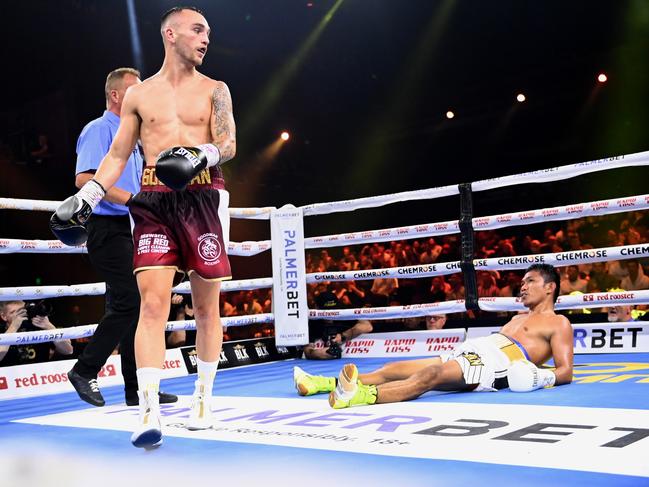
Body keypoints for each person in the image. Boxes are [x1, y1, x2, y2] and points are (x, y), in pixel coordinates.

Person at [50, 6, 235, 448]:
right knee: (151, 306)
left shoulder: (216, 89)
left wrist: (201, 155)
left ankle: (204, 399)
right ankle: (148, 410)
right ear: (170, 34)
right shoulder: (139, 95)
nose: (205, 38)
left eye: (207, 31)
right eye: (197, 29)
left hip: (203, 195)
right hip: (152, 200)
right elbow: (116, 156)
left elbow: (228, 143)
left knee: (207, 307)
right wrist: (88, 197)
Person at [293, 264, 573, 408]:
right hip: (477, 350)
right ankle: (319, 383)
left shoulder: (558, 322)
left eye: (530, 281)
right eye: (522, 282)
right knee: (394, 369)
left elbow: (566, 371)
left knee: (430, 376)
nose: (521, 287)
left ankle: (358, 396)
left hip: (496, 363)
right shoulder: (515, 318)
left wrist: (540, 376)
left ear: (550, 288)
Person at [66, 67, 177, 409]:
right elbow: (84, 179)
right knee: (131, 301)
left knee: (136, 305)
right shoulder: (99, 129)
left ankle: (138, 389)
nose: (142, 95)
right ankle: (84, 370)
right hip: (106, 227)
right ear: (116, 95)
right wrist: (131, 200)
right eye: (135, 89)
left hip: (131, 227)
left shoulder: (134, 134)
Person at [0, 301, 73, 366]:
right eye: (13, 312)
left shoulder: (39, 327)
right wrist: (13, 328)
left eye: (22, 311)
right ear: (3, 316)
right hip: (11, 378)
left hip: (40, 377)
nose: (20, 315)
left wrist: (50, 327)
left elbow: (68, 350)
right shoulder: (2, 331)